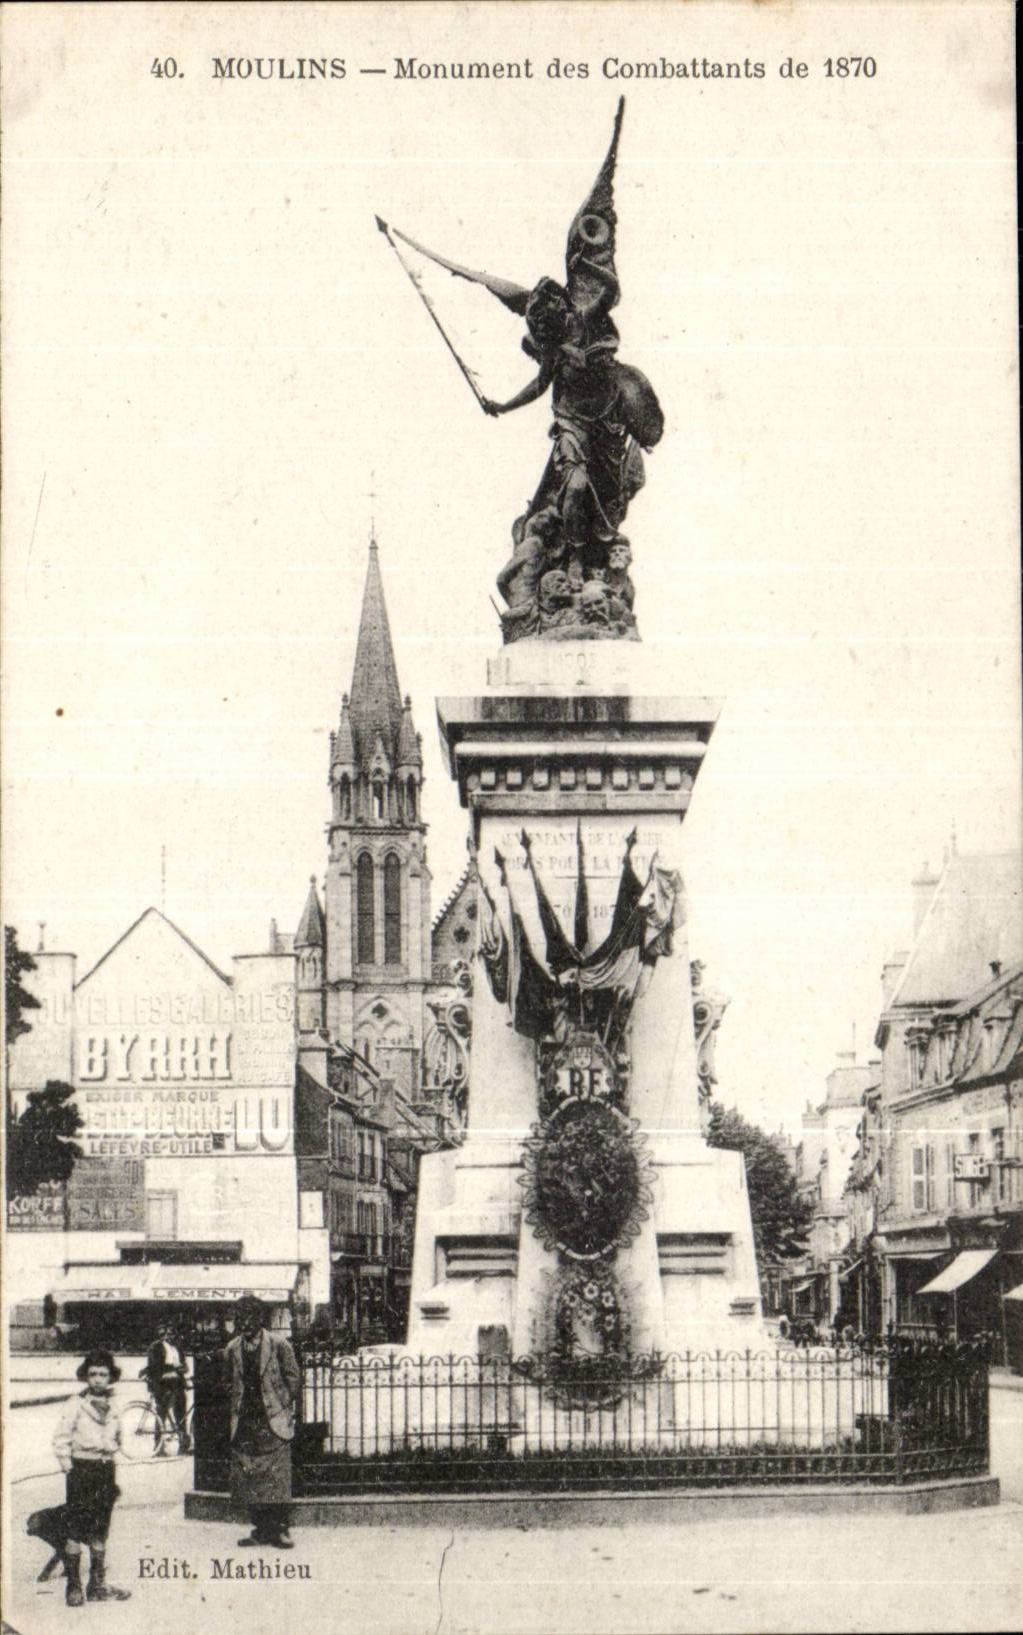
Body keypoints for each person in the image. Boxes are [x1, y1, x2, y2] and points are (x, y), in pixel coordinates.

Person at [52, 1349, 131, 1606]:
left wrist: (113, 1448)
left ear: (111, 1378)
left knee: (100, 1528)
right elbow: (61, 1439)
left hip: (105, 1470)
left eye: (103, 1374)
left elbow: (118, 1436)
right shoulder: (75, 1404)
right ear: (86, 1376)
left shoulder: (115, 1405)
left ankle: (96, 1584)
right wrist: (69, 1468)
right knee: (75, 1528)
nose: (98, 1379)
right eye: (93, 1374)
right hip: (81, 1470)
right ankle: (73, 1586)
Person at [223, 1296, 299, 1550]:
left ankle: (280, 1530)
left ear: (259, 1319)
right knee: (251, 1476)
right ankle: (259, 1530)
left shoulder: (278, 1344)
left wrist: (282, 1405)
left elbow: (293, 1378)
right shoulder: (232, 1348)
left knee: (275, 1477)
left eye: (249, 1318)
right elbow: (228, 1381)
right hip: (246, 1420)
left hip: (273, 1419)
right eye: (240, 1318)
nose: (244, 1323)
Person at [140, 1319, 191, 1455]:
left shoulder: (178, 1348)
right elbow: (154, 1366)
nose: (170, 1336)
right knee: (160, 1415)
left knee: (181, 1414)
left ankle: (183, 1445)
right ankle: (159, 1447)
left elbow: (185, 1366)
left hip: (178, 1384)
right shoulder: (155, 1347)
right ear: (162, 1334)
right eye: (168, 1333)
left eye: (173, 1334)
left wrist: (183, 1368)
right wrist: (173, 1367)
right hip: (162, 1385)